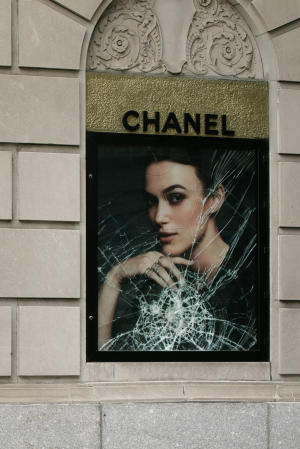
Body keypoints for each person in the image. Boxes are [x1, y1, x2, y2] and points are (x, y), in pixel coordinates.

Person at [97, 146, 258, 351]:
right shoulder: (160, 285)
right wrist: (115, 275)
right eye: (152, 201)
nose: (158, 217)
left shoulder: (251, 280)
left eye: (175, 197)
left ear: (214, 200)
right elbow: (105, 358)